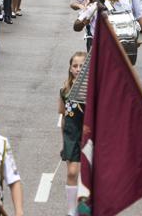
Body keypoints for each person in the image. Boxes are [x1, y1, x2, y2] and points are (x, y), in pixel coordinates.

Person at [60, 52, 87, 216]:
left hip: (89, 135)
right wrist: (63, 142)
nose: (78, 69)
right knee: (72, 172)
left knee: (90, 174)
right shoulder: (64, 91)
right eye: (75, 66)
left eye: (82, 66)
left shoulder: (93, 90)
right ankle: (71, 211)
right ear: (70, 69)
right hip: (71, 135)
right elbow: (63, 117)